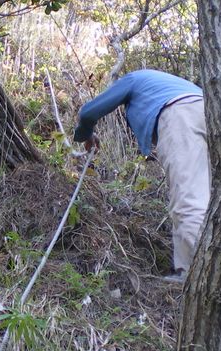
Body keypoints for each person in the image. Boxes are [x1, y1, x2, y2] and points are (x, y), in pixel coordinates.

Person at [74, 69, 209, 280]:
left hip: (180, 116)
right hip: (211, 115)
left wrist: (84, 134)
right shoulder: (167, 84)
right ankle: (195, 270)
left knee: (188, 201)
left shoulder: (134, 79)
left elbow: (88, 112)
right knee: (203, 199)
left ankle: (196, 278)